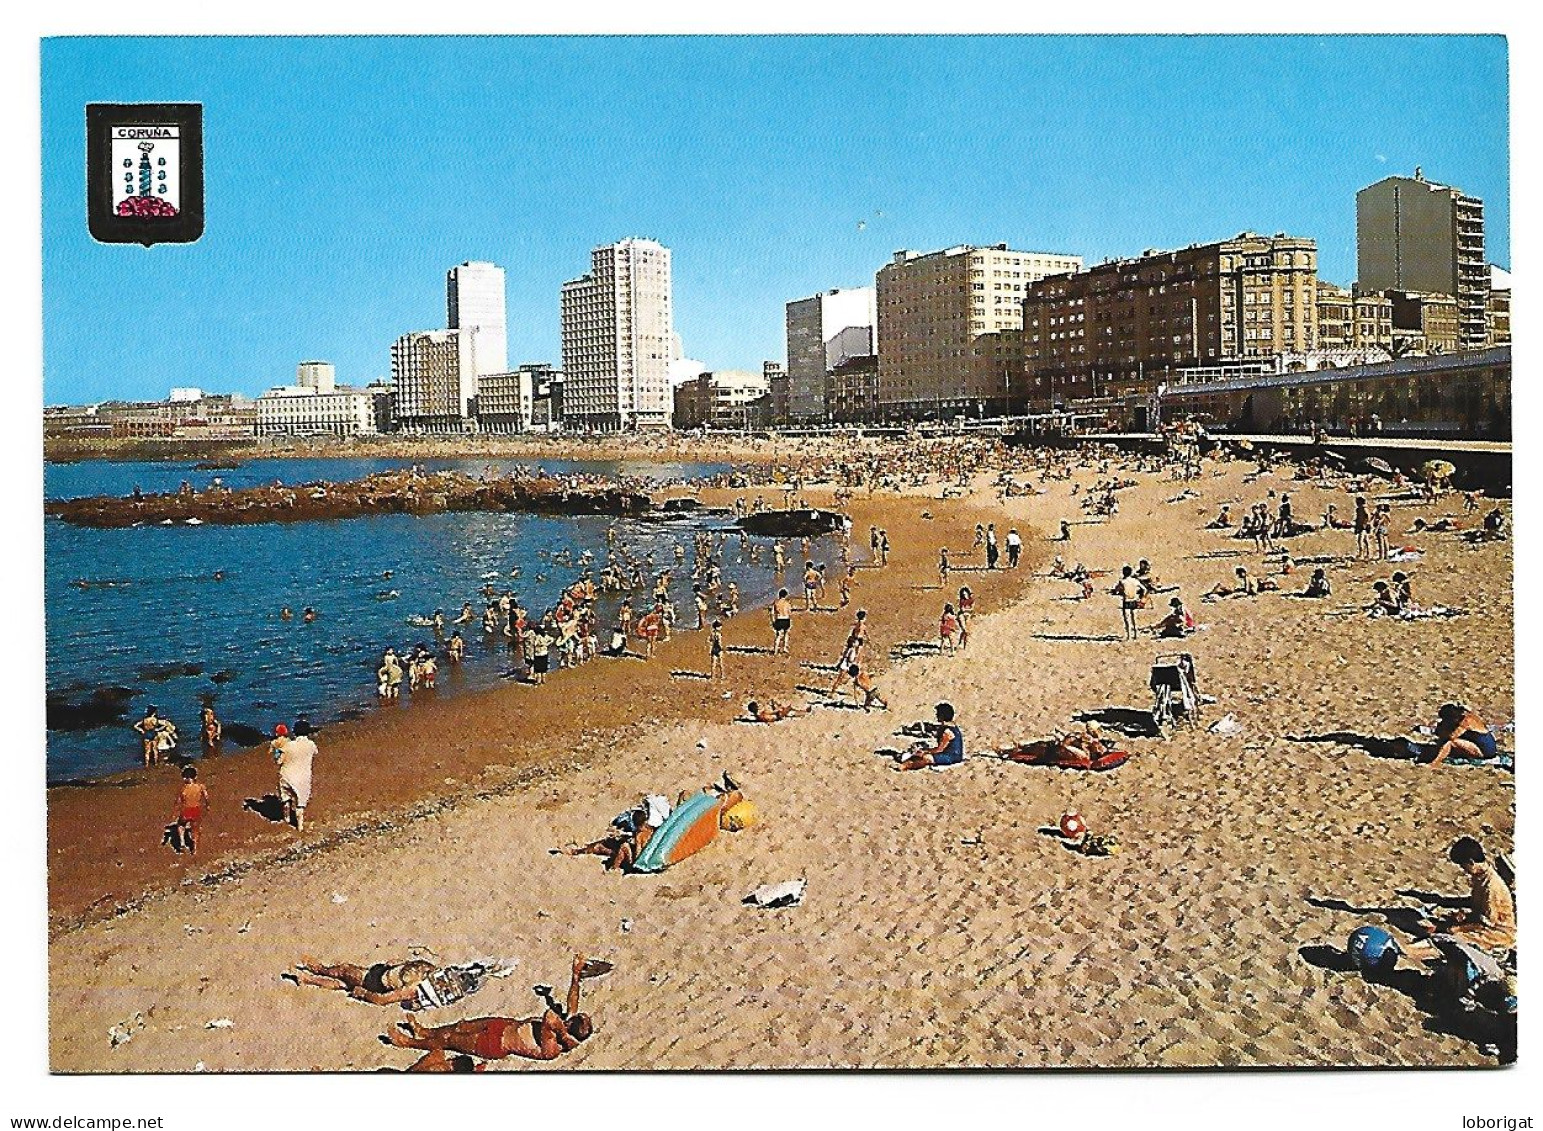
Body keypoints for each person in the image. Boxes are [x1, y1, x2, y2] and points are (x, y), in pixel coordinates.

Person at [385, 955, 603, 1063]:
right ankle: (424, 1032)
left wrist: (561, 1028)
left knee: (451, 1040)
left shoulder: (553, 1048)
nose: (567, 1019)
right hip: (502, 1025)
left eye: (569, 1023)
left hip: (494, 1044)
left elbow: (549, 1018)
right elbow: (572, 1002)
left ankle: (409, 1042)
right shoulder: (567, 1027)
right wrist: (576, 975)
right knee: (458, 1026)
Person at [1404, 838, 1516, 959]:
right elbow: (1474, 903)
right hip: (1482, 924)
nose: (1464, 870)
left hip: (1497, 934)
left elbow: (1486, 922)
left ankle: (1412, 953)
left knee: (1450, 941)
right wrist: (1444, 903)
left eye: (1463, 865)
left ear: (1471, 862)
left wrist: (1455, 928)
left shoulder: (1492, 886)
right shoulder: (1481, 877)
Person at [290, 956, 506, 1011]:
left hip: (373, 981)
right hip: (383, 975)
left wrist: (363, 994)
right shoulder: (431, 976)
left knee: (344, 972)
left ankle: (315, 970)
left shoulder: (415, 988)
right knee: (342, 984)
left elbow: (384, 1000)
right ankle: (307, 979)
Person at [560, 794, 672, 871]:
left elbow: (638, 855)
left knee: (618, 847)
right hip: (651, 858)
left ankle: (613, 868)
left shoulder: (639, 835)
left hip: (640, 863)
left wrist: (629, 846)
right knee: (613, 844)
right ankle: (580, 851)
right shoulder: (651, 830)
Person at [893, 702, 964, 771]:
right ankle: (906, 761)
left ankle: (905, 766)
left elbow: (940, 749)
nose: (936, 715)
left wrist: (925, 751)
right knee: (922, 752)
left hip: (952, 757)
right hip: (949, 753)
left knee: (926, 757)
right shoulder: (950, 727)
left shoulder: (948, 732)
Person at [272, 721, 316, 832]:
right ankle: (300, 825)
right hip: (303, 778)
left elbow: (278, 761)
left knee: (286, 797)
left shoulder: (288, 746)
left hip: (286, 775)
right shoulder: (311, 745)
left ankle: (286, 817)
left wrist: (277, 751)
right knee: (300, 803)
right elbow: (315, 752)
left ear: (294, 732)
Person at [1428, 703, 1499, 766]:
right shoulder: (1467, 716)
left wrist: (1443, 730)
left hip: (1485, 749)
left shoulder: (1466, 721)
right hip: (1485, 744)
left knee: (1451, 743)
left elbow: (1452, 737)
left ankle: (1435, 763)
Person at [171, 765, 209, 856]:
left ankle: (182, 842)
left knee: (181, 824)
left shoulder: (184, 788)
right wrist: (207, 806)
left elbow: (178, 801)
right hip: (196, 809)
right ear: (195, 776)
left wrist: (175, 811)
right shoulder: (200, 786)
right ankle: (194, 849)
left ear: (185, 778)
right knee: (195, 830)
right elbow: (206, 797)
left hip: (186, 810)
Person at [1112, 565, 1145, 640]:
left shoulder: (1122, 581)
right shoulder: (1135, 580)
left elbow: (1116, 590)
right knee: (1134, 619)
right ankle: (1136, 634)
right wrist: (1141, 597)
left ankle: (1129, 636)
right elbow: (1144, 589)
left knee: (1127, 619)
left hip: (1126, 601)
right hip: (1134, 600)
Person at [745, 699, 809, 723]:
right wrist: (777, 710)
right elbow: (773, 716)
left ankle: (802, 712)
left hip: (776, 716)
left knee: (783, 708)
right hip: (778, 716)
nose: (758, 706)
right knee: (789, 707)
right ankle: (804, 711)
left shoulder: (759, 715)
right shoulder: (762, 714)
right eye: (756, 705)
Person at [770, 589, 793, 655]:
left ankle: (775, 650)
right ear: (785, 595)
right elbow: (789, 613)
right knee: (786, 634)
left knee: (778, 635)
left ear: (779, 595)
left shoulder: (776, 602)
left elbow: (772, 613)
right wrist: (790, 620)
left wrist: (773, 621)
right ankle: (784, 648)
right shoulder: (787, 603)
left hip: (779, 619)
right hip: (786, 619)